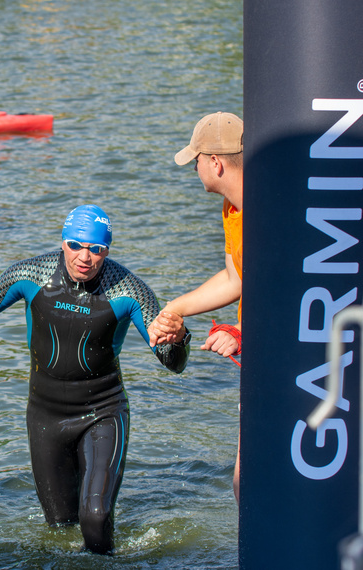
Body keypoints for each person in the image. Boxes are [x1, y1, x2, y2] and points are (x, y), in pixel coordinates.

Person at [0, 205, 190, 554]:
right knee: (61, 531)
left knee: (95, 517)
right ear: (63, 242)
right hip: (46, 418)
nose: (85, 257)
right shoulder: (31, 274)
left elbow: (173, 364)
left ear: (107, 251)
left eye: (97, 250)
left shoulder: (128, 290)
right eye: (76, 245)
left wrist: (179, 337)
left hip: (103, 414)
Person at [148, 111, 243, 501]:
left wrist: (240, 334)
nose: (196, 169)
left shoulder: (272, 208)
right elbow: (237, 279)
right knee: (243, 480)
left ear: (215, 163)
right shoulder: (230, 207)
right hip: (257, 358)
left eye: (197, 161)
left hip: (293, 362)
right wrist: (174, 309)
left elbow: (294, 291)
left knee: (249, 480)